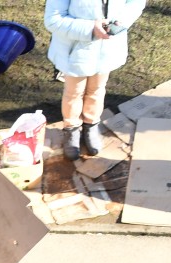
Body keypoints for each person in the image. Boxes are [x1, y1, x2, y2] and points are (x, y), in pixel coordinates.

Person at [44, 0, 147, 161]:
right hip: (75, 52)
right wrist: (91, 28)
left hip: (107, 49)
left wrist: (121, 21)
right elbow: (53, 19)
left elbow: (135, 3)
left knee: (97, 89)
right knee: (73, 92)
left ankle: (91, 125)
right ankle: (72, 129)